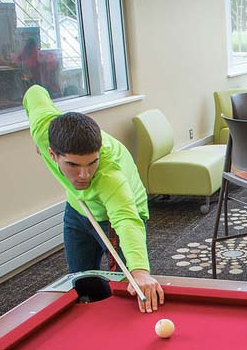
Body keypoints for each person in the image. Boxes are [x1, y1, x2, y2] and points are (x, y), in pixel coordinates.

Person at [23, 85, 164, 313]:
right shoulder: (42, 130)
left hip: (118, 214)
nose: (84, 175)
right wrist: (35, 142)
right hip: (78, 210)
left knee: (127, 287)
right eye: (73, 165)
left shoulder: (109, 176)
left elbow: (126, 220)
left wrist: (139, 271)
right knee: (81, 282)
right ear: (52, 154)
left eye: (92, 163)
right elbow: (35, 92)